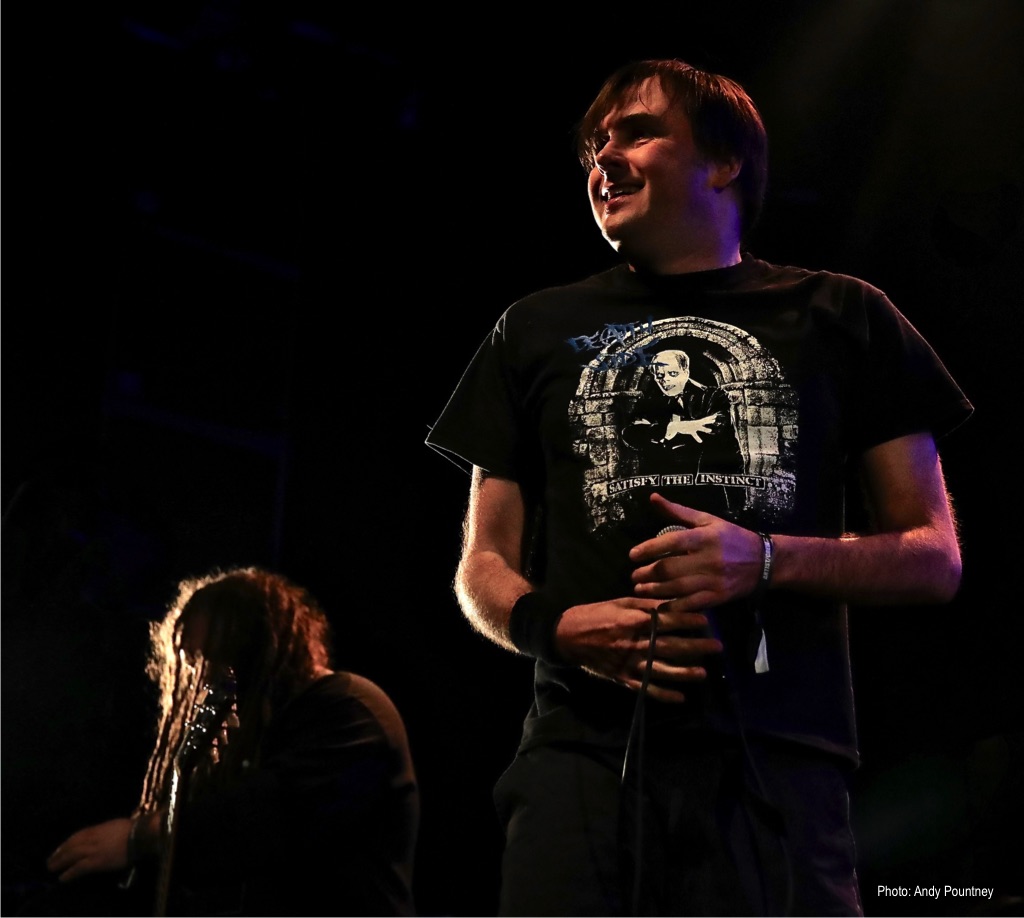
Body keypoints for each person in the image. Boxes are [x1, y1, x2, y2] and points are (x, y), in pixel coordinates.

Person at [426, 58, 971, 916]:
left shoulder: (842, 315)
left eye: (639, 133)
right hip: (580, 763)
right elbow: (481, 563)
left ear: (724, 164)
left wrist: (763, 560)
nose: (605, 159)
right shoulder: (531, 329)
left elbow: (933, 557)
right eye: (596, 146)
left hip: (780, 765)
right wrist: (554, 628)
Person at [42, 567, 419, 917]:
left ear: (264, 648)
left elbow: (263, 815)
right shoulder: (260, 736)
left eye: (217, 660)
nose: (208, 683)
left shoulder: (350, 707)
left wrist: (138, 837)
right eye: (197, 666)